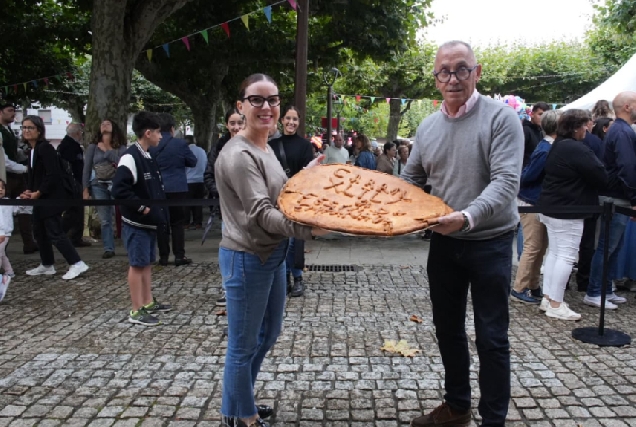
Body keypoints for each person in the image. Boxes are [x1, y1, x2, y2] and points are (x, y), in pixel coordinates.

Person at [401, 41, 523, 427]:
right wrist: (379, 207)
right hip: (444, 243)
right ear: (435, 77)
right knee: (448, 330)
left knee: (491, 337)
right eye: (444, 71)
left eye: (461, 69)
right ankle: (457, 407)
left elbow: (505, 183)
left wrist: (467, 217)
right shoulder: (427, 126)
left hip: (491, 242)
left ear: (478, 72)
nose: (452, 78)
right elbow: (411, 181)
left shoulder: (502, 119)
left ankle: (493, 420)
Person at [215, 73, 326, 427]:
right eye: (257, 100)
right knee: (243, 345)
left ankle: (237, 404)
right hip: (247, 257)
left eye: (273, 100)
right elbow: (262, 213)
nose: (266, 107)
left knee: (268, 333)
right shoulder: (239, 155)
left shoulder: (266, 146)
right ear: (241, 106)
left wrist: (306, 176)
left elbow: (279, 193)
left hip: (272, 254)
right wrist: (307, 230)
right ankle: (241, 416)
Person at [537, 109, 608, 320]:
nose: (588, 129)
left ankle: (549, 297)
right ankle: (555, 303)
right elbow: (601, 175)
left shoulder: (559, 144)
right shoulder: (577, 149)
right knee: (565, 255)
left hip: (553, 206)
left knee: (556, 254)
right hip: (568, 209)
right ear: (577, 127)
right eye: (586, 125)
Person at [112, 112, 171, 326]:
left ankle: (147, 301)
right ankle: (135, 309)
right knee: (137, 265)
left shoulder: (148, 155)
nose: (161, 137)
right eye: (158, 132)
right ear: (148, 133)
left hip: (149, 222)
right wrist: (142, 207)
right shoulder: (130, 157)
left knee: (146, 263)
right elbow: (119, 189)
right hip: (136, 223)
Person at [21, 115, 89, 280]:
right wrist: (29, 190)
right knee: (39, 230)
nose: (26, 131)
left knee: (55, 231)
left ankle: (77, 263)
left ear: (39, 130)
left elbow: (53, 174)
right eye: (24, 127)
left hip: (51, 197)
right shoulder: (32, 150)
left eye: (30, 128)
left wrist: (39, 192)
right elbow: (35, 175)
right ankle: (47, 263)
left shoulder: (45, 148)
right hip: (40, 197)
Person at [585, 91, 636, 309]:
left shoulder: (619, 130)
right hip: (617, 198)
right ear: (627, 106)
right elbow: (627, 167)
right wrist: (634, 197)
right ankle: (595, 291)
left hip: (618, 196)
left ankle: (605, 289)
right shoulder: (622, 132)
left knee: (613, 246)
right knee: (607, 246)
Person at [510, 110, 560, 304]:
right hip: (531, 202)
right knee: (532, 246)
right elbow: (529, 176)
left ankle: (533, 284)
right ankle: (519, 287)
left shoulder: (547, 146)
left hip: (535, 201)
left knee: (540, 246)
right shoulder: (546, 149)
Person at [269, 105, 315, 297]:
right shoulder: (271, 145)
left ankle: (297, 277)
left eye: (295, 119)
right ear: (282, 120)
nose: (291, 122)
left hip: (298, 198)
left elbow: (309, 175)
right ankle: (283, 276)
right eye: (288, 118)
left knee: (296, 240)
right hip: (277, 198)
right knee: (280, 238)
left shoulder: (305, 146)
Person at [204, 109, 245, 308]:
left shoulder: (254, 145)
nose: (236, 127)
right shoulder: (218, 148)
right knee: (228, 248)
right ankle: (228, 288)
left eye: (239, 123)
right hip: (227, 208)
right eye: (232, 123)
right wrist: (222, 193)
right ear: (227, 125)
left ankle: (247, 287)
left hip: (249, 208)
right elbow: (208, 176)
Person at [149, 113, 197, 266]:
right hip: (177, 187)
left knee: (162, 223)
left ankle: (163, 256)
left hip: (158, 188)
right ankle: (179, 255)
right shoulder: (180, 144)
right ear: (171, 128)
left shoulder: (152, 145)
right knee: (177, 223)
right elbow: (192, 161)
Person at [83, 119, 128, 258]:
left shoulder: (121, 147)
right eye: (102, 124)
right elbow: (87, 167)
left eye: (108, 124)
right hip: (98, 184)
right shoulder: (93, 147)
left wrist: (108, 151)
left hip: (116, 183)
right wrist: (85, 188)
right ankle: (109, 248)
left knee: (124, 216)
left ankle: (128, 246)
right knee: (105, 219)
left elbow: (123, 163)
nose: (104, 125)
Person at [0, 102, 37, 254]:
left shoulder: (9, 130)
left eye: (14, 111)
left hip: (17, 175)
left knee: (25, 205)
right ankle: (3, 248)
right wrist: (25, 168)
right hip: (5, 176)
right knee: (4, 210)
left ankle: (29, 243)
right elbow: (3, 160)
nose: (13, 114)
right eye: (9, 111)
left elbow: (13, 153)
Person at [59, 123, 90, 248]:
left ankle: (75, 236)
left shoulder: (67, 145)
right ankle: (64, 234)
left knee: (76, 211)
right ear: (77, 133)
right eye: (81, 133)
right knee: (74, 211)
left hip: (74, 181)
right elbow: (70, 167)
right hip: (73, 182)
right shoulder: (68, 146)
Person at [185, 135, 207, 230]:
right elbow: (206, 164)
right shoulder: (202, 151)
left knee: (187, 204)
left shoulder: (186, 151)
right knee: (198, 203)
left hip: (188, 180)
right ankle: (198, 222)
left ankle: (186, 223)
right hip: (200, 180)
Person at [0, 179, 16, 302]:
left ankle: (3, 279)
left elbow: (18, 209)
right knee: (2, 253)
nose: (1, 190)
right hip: (2, 233)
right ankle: (9, 272)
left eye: (2, 187)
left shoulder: (8, 202)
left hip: (4, 234)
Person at [521, 103, 549, 167]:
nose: (542, 118)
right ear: (532, 114)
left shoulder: (540, 131)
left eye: (545, 115)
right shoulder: (525, 130)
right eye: (540, 114)